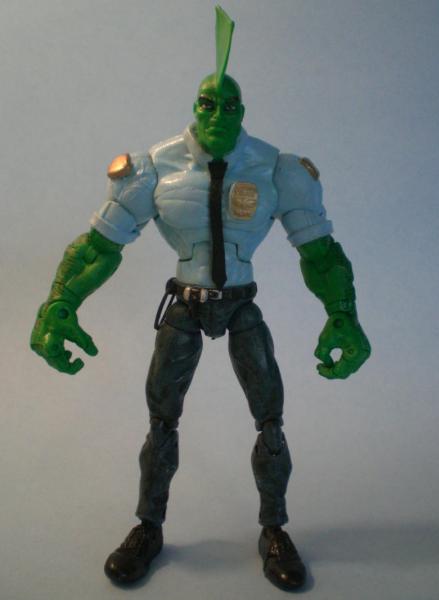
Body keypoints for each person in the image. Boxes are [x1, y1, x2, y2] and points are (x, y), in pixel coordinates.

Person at [30, 7, 370, 592]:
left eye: (228, 106)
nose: (216, 115)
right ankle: (148, 527)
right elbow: (99, 247)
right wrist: (60, 303)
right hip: (185, 305)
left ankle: (274, 529)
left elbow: (320, 253)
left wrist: (343, 314)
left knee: (270, 419)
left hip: (240, 303)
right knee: (161, 420)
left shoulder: (276, 168)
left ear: (243, 110)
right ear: (195, 106)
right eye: (207, 104)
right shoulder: (153, 167)